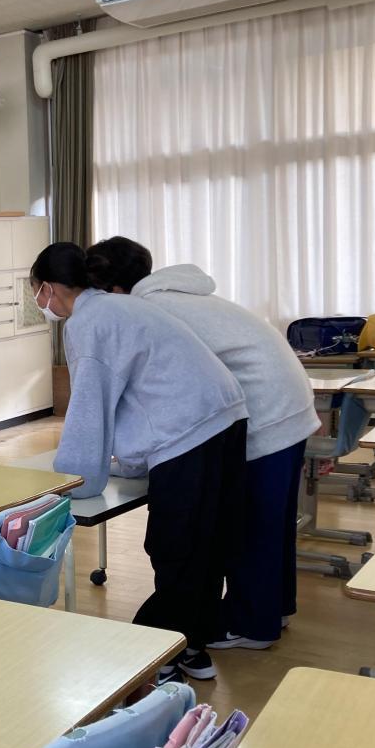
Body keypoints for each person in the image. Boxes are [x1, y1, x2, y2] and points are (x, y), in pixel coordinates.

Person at [86, 237, 319, 648]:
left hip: (262, 408)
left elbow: (150, 385)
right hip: (288, 402)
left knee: (248, 526)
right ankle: (273, 609)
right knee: (274, 523)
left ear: (113, 289)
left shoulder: (148, 309)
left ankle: (251, 625)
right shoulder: (178, 295)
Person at [31, 242, 248, 683]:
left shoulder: (89, 322)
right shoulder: (119, 307)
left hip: (188, 430)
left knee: (174, 547)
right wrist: (129, 465)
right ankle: (193, 646)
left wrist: (74, 480)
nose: (38, 301)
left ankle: (153, 656)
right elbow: (141, 391)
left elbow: (90, 408)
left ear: (50, 288)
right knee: (205, 543)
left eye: (35, 290)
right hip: (225, 418)